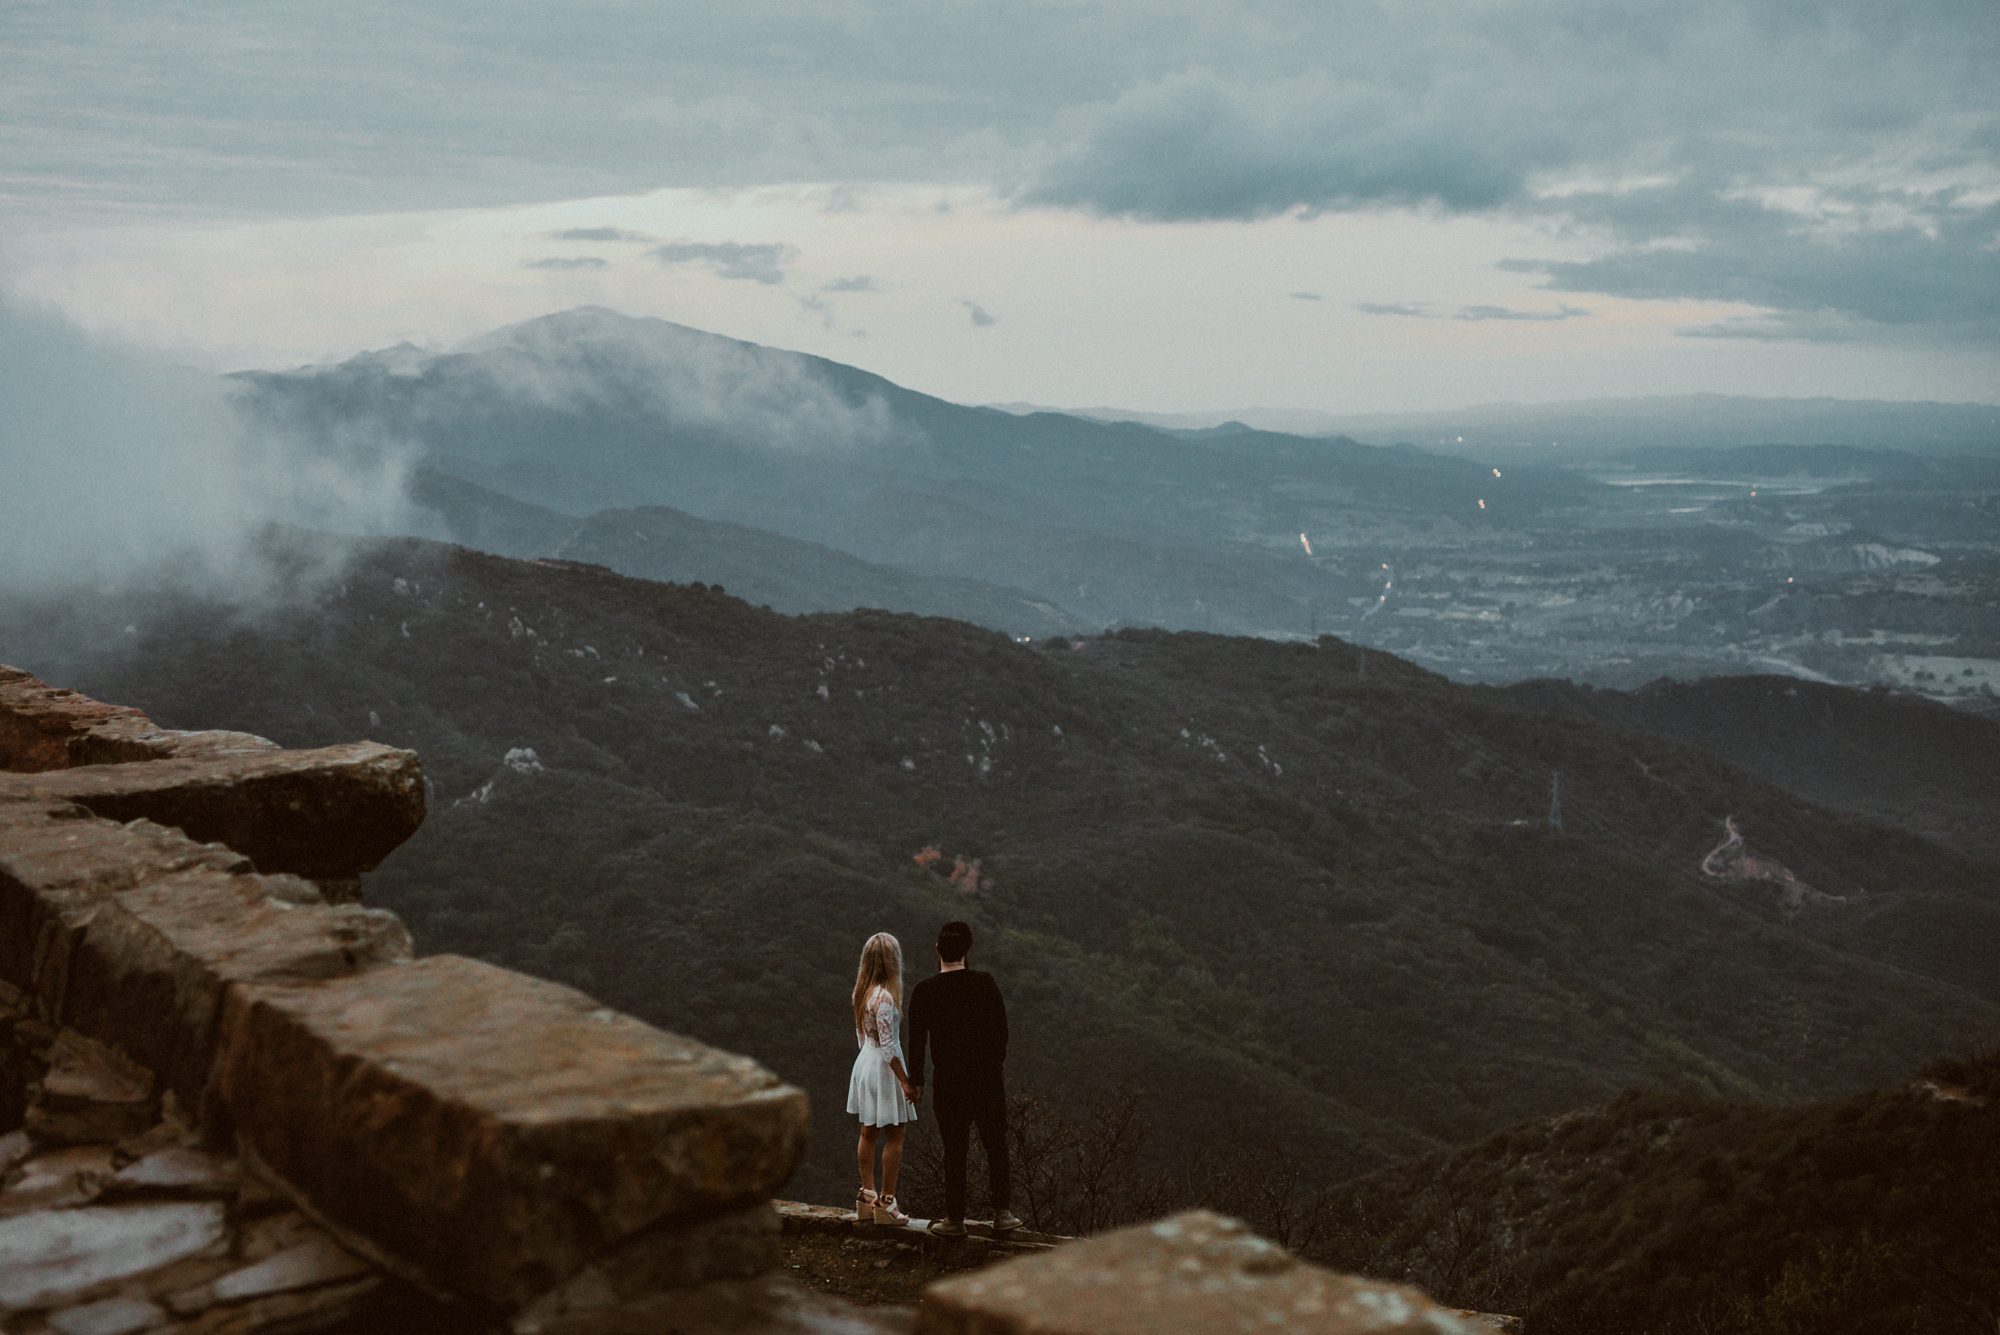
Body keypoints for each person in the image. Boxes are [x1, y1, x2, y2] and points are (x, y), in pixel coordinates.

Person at [906, 920, 1022, 1237]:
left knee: (954, 1151)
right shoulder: (985, 983)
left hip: (948, 1083)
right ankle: (1002, 1213)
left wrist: (917, 1081)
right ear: (969, 950)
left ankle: (955, 1220)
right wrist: (992, 1066)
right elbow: (1001, 1033)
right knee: (996, 1146)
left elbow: (915, 1042)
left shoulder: (925, 991)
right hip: (986, 1080)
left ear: (937, 950)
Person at [847, 931, 919, 1226]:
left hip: (865, 1062)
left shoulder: (861, 992)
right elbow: (890, 1047)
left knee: (867, 1132)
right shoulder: (886, 998)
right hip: (884, 1066)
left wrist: (868, 1063)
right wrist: (905, 1081)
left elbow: (862, 1037)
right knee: (895, 1135)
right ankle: (887, 1202)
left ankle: (866, 1194)